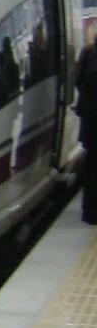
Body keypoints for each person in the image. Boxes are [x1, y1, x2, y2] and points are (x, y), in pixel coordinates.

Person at [75, 35, 97, 224]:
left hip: (90, 126)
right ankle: (91, 213)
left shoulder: (89, 57)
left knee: (91, 169)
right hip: (93, 125)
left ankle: (89, 211)